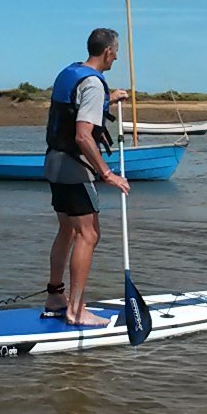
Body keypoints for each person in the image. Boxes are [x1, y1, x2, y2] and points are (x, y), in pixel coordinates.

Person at [44, 28, 131, 326]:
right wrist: (108, 174)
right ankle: (76, 310)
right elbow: (83, 136)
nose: (117, 57)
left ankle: (56, 296)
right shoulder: (93, 84)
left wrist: (111, 97)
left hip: (53, 162)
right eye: (116, 52)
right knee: (89, 235)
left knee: (67, 231)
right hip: (73, 167)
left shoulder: (72, 72)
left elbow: (77, 102)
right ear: (107, 52)